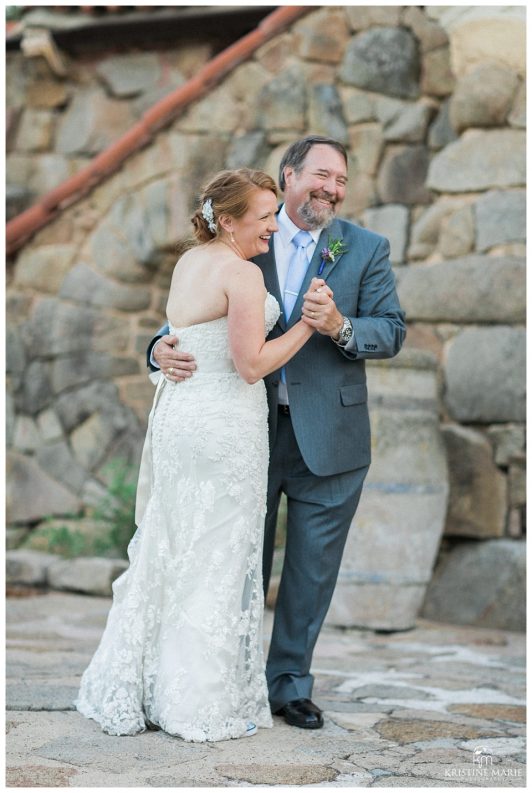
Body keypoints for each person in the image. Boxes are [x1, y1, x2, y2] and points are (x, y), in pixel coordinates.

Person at [150, 135, 406, 730]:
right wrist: (156, 348)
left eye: (342, 180)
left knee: (312, 570)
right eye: (321, 174)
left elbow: (391, 331)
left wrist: (341, 326)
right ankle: (224, 677)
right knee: (237, 558)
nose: (332, 189)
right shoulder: (243, 237)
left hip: (333, 434)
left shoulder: (364, 248)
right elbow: (185, 317)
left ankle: (289, 685)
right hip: (243, 430)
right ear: (288, 176)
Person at [75, 168, 323, 742]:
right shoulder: (238, 273)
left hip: (183, 420)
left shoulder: (190, 261)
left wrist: (162, 348)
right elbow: (251, 365)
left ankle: (140, 683)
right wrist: (308, 327)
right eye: (263, 216)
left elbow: (184, 334)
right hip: (223, 430)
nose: (273, 226)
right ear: (229, 220)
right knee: (215, 554)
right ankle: (192, 699)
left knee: (172, 544)